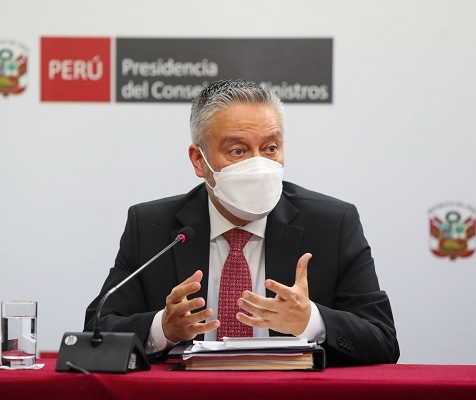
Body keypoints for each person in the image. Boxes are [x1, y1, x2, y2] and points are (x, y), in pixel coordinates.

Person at [84, 79, 400, 366]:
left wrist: (311, 321)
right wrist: (163, 328)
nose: (258, 165)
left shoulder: (332, 224)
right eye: (238, 151)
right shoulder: (151, 227)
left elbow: (383, 341)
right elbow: (95, 335)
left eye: (270, 148)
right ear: (199, 160)